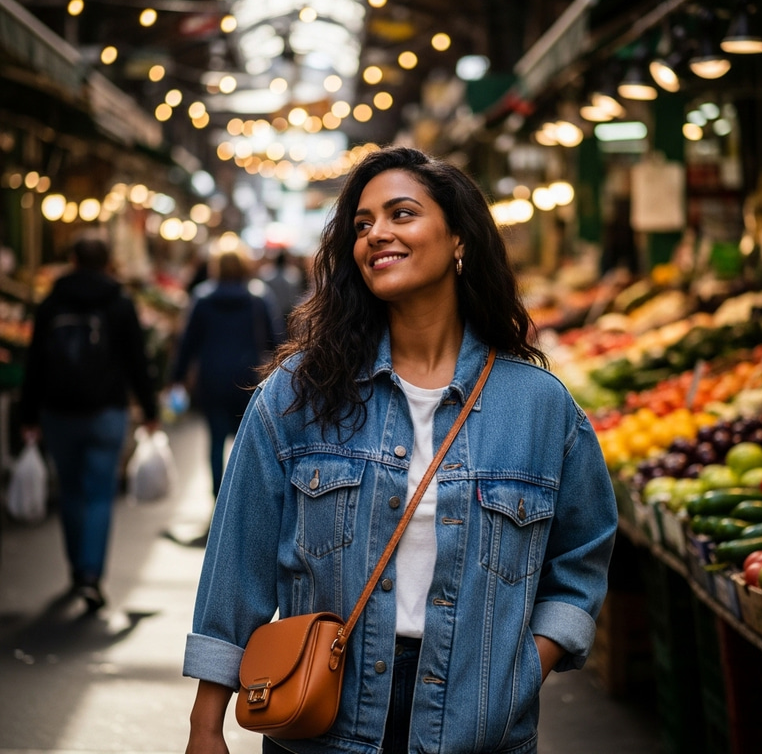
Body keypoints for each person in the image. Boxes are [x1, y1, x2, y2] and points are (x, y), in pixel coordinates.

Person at [183, 146, 617, 754]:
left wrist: (521, 671)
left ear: (459, 239)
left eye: (402, 214)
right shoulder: (298, 395)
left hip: (476, 727)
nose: (376, 234)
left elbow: (582, 557)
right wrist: (206, 724)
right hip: (325, 720)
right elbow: (238, 560)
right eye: (362, 224)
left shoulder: (539, 407)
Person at [19, 231, 159, 612]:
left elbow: (35, 363)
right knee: (99, 493)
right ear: (107, 263)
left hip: (58, 413)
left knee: (70, 490)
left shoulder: (51, 303)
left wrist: (27, 415)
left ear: (74, 261)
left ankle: (76, 570)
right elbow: (137, 361)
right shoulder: (120, 302)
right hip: (107, 412)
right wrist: (150, 410)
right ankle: (92, 575)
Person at [170, 244, 284, 503]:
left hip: (212, 379)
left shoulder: (202, 298)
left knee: (215, 440)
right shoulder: (258, 297)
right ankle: (242, 500)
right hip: (249, 379)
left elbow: (188, 343)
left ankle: (217, 498)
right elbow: (277, 341)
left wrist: (176, 378)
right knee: (246, 442)